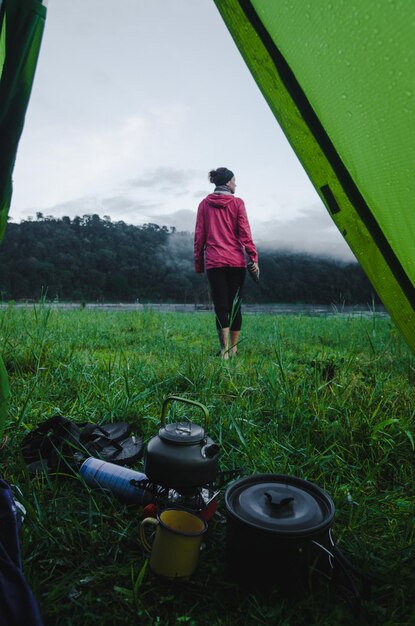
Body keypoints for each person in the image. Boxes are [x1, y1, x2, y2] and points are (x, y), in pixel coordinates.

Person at [194, 167, 259, 358]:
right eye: (234, 181)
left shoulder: (204, 205)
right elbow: (245, 233)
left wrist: (199, 263)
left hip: (215, 263)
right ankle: (234, 349)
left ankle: (224, 352)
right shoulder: (238, 203)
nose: (236, 184)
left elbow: (199, 236)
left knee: (220, 306)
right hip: (236, 263)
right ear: (228, 183)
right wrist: (253, 257)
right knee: (235, 305)